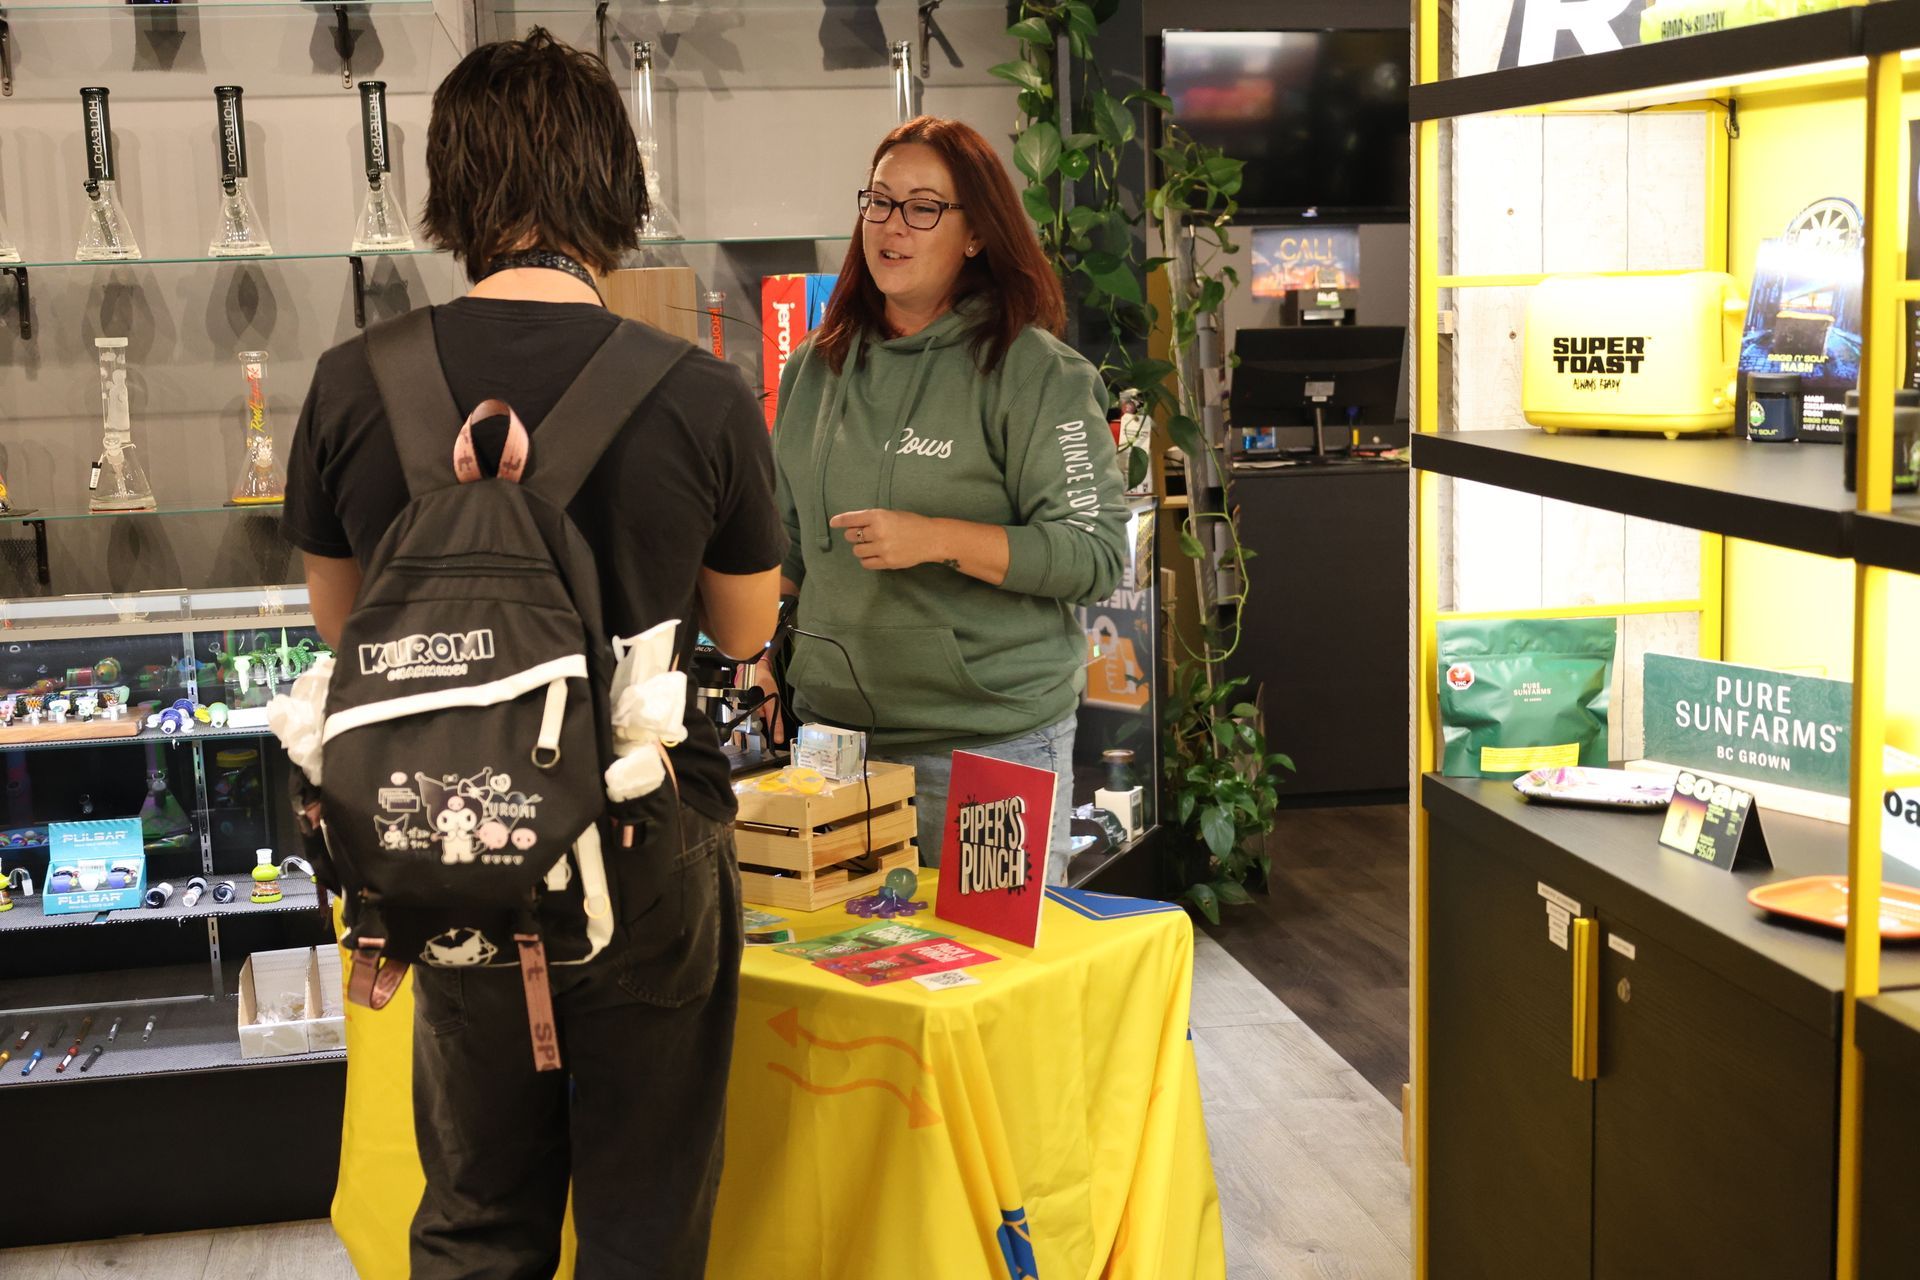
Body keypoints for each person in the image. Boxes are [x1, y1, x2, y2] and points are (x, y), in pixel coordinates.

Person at [282, 30, 784, 1279]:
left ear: (451, 191)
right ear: (616, 186)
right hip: (650, 845)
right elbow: (745, 632)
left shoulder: (352, 384)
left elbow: (344, 629)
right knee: (644, 1226)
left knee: (477, 1214)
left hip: (455, 835)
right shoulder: (700, 392)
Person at [771, 116, 1128, 887]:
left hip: (989, 747)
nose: (892, 226)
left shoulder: (1037, 374)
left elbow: (1096, 554)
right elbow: (789, 544)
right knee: (843, 963)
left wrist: (937, 537)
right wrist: (758, 649)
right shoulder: (812, 371)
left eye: (923, 207)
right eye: (879, 201)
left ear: (975, 234)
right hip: (834, 749)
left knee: (991, 961)